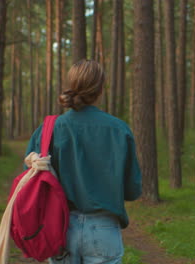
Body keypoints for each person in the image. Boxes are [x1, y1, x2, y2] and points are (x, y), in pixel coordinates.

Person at [25, 59, 142, 264]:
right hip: (104, 229)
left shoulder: (49, 129)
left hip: (60, 228)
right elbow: (133, 190)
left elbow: (32, 181)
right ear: (100, 89)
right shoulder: (119, 130)